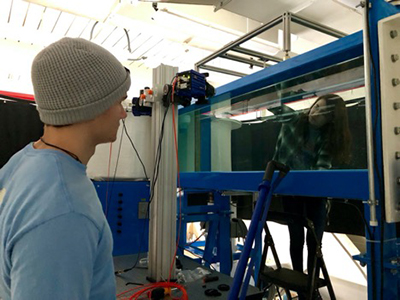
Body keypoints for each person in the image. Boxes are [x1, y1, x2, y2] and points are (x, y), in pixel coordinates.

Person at [0, 37, 131, 299]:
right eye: (119, 101)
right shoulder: (65, 211)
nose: (123, 113)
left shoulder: (23, 161)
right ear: (91, 104)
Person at [272, 93, 351, 299]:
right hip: (291, 189)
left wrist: (319, 186)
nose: (315, 113)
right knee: (296, 238)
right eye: (316, 106)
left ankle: (311, 285)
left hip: (314, 192)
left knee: (315, 242)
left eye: (323, 112)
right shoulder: (295, 119)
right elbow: (276, 105)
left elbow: (322, 169)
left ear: (332, 119)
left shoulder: (328, 138)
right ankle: (300, 286)